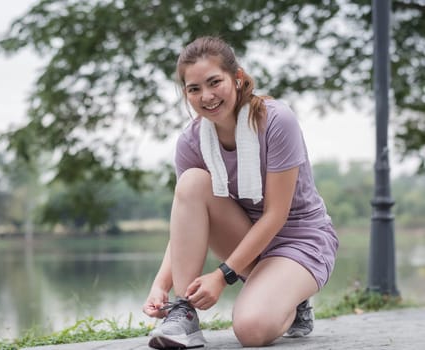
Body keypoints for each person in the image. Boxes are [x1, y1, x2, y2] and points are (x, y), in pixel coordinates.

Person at [142, 36, 339, 349]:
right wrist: (159, 285)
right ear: (186, 93)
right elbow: (186, 222)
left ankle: (293, 298)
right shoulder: (191, 143)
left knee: (251, 330)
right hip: (245, 237)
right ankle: (183, 314)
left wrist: (221, 276)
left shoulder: (276, 121)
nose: (206, 96)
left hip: (299, 239)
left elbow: (276, 215)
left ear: (238, 78)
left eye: (214, 82)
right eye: (194, 89)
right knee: (192, 182)